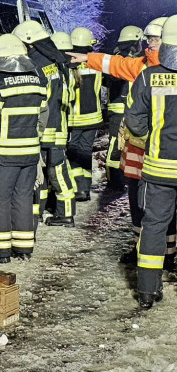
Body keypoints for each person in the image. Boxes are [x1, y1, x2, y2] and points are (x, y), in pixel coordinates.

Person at [68, 17, 174, 268]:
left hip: (156, 154)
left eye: (154, 40)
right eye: (148, 40)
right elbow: (115, 63)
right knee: (145, 205)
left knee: (157, 207)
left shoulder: (148, 71)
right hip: (144, 153)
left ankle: (163, 254)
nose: (149, 44)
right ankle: (152, 251)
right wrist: (88, 58)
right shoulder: (141, 65)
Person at [0, 34, 48, 263]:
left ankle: (1, 251)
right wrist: (33, 138)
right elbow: (43, 117)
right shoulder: (38, 81)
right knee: (23, 198)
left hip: (2, 155)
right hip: (29, 153)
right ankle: (24, 247)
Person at [124, 14, 177, 309]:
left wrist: (151, 137)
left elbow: (134, 120)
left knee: (154, 225)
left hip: (159, 168)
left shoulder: (149, 76)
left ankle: (147, 290)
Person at [13, 21, 77, 227]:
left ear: (30, 43)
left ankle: (38, 213)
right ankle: (64, 211)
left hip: (41, 128)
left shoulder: (34, 65)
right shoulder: (54, 60)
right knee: (57, 171)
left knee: (37, 173)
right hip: (58, 126)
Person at [103, 25, 143, 193]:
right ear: (135, 41)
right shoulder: (125, 60)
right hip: (121, 107)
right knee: (116, 143)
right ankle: (115, 180)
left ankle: (119, 177)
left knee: (120, 143)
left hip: (121, 106)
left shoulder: (116, 57)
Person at [67, 27, 102, 202]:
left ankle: (75, 187)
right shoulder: (95, 62)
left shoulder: (69, 64)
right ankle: (85, 189)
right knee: (86, 152)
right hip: (93, 117)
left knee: (73, 152)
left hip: (74, 119)